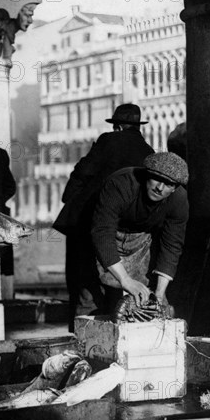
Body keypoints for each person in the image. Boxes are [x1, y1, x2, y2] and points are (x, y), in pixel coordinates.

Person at [52, 104, 155, 331]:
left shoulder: (108, 140)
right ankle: (113, 333)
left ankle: (81, 337)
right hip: (126, 228)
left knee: (85, 282)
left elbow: (83, 171)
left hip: (87, 221)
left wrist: (69, 197)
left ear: (117, 126)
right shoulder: (149, 152)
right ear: (138, 127)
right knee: (116, 283)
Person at [91, 152, 189, 315]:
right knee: (93, 296)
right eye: (157, 179)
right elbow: (102, 232)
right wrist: (125, 279)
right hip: (100, 231)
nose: (160, 188)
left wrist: (159, 292)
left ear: (174, 188)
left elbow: (172, 246)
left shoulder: (178, 200)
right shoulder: (121, 183)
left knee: (149, 303)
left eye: (168, 184)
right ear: (146, 175)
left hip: (140, 239)